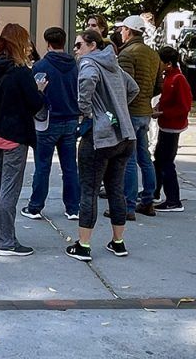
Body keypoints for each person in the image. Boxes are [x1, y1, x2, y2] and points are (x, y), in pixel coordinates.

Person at [65, 28, 138, 262]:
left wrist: (88, 112)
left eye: (79, 45)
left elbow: (86, 82)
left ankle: (84, 245)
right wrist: (116, 109)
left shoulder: (89, 64)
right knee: (116, 189)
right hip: (125, 135)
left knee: (89, 190)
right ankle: (118, 242)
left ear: (92, 45)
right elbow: (133, 89)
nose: (76, 50)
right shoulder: (114, 65)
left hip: (100, 138)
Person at [0, 24, 47, 256]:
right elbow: (35, 104)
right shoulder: (21, 72)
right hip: (13, 134)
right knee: (9, 188)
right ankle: (6, 242)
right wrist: (39, 90)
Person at [20, 27, 80, 221]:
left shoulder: (41, 66)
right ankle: (73, 207)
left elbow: (35, 95)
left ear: (47, 43)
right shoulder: (76, 65)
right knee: (70, 166)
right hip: (71, 118)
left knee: (43, 166)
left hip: (47, 120)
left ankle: (35, 206)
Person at [117, 15, 162, 218]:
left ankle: (128, 206)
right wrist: (146, 99)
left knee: (129, 160)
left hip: (131, 112)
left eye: (123, 29)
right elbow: (157, 87)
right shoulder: (153, 54)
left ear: (129, 31)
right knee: (145, 158)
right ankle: (148, 200)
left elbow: (125, 87)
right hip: (145, 111)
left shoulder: (127, 54)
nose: (120, 32)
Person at [152, 46, 192, 213]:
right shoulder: (169, 77)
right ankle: (155, 191)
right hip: (166, 124)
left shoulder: (178, 79)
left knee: (166, 162)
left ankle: (173, 199)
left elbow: (184, 106)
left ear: (167, 63)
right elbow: (166, 98)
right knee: (159, 159)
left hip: (172, 125)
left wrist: (163, 112)